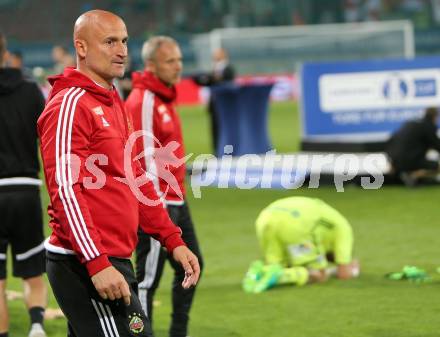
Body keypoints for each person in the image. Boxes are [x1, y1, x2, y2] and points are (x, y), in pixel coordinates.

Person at [37, 10, 200, 337]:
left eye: (124, 41)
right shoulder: (70, 103)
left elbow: (136, 177)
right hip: (85, 263)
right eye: (110, 41)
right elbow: (66, 191)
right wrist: (97, 263)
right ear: (81, 48)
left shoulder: (113, 100)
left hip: (113, 257)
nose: (122, 50)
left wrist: (171, 238)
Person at [125, 36, 204, 337]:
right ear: (150, 65)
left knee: (194, 266)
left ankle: (177, 332)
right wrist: (154, 207)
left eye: (179, 60)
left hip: (177, 200)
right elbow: (141, 162)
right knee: (146, 281)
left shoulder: (164, 97)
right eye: (170, 61)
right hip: (158, 205)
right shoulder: (144, 101)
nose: (178, 66)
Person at [0, 32, 48, 337]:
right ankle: (36, 327)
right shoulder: (31, 90)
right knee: (33, 271)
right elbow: (49, 141)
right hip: (28, 189)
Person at [243, 197, 359, 294]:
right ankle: (282, 276)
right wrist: (353, 269)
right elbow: (344, 274)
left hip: (265, 217)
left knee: (277, 266)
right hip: (294, 223)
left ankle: (259, 272)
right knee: (320, 275)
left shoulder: (328, 217)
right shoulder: (344, 229)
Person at [192, 48, 235, 153]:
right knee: (215, 130)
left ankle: (228, 151)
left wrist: (208, 78)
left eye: (218, 54)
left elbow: (222, 80)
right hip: (214, 105)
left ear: (224, 55)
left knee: (226, 129)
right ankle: (218, 151)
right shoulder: (215, 69)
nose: (215, 56)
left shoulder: (228, 69)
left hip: (225, 105)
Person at [386, 107, 440, 186]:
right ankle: (413, 176)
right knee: (437, 167)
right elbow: (437, 145)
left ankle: (403, 175)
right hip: (410, 161)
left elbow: (391, 141)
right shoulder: (428, 126)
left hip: (395, 161)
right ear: (435, 117)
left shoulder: (411, 123)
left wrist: (391, 161)